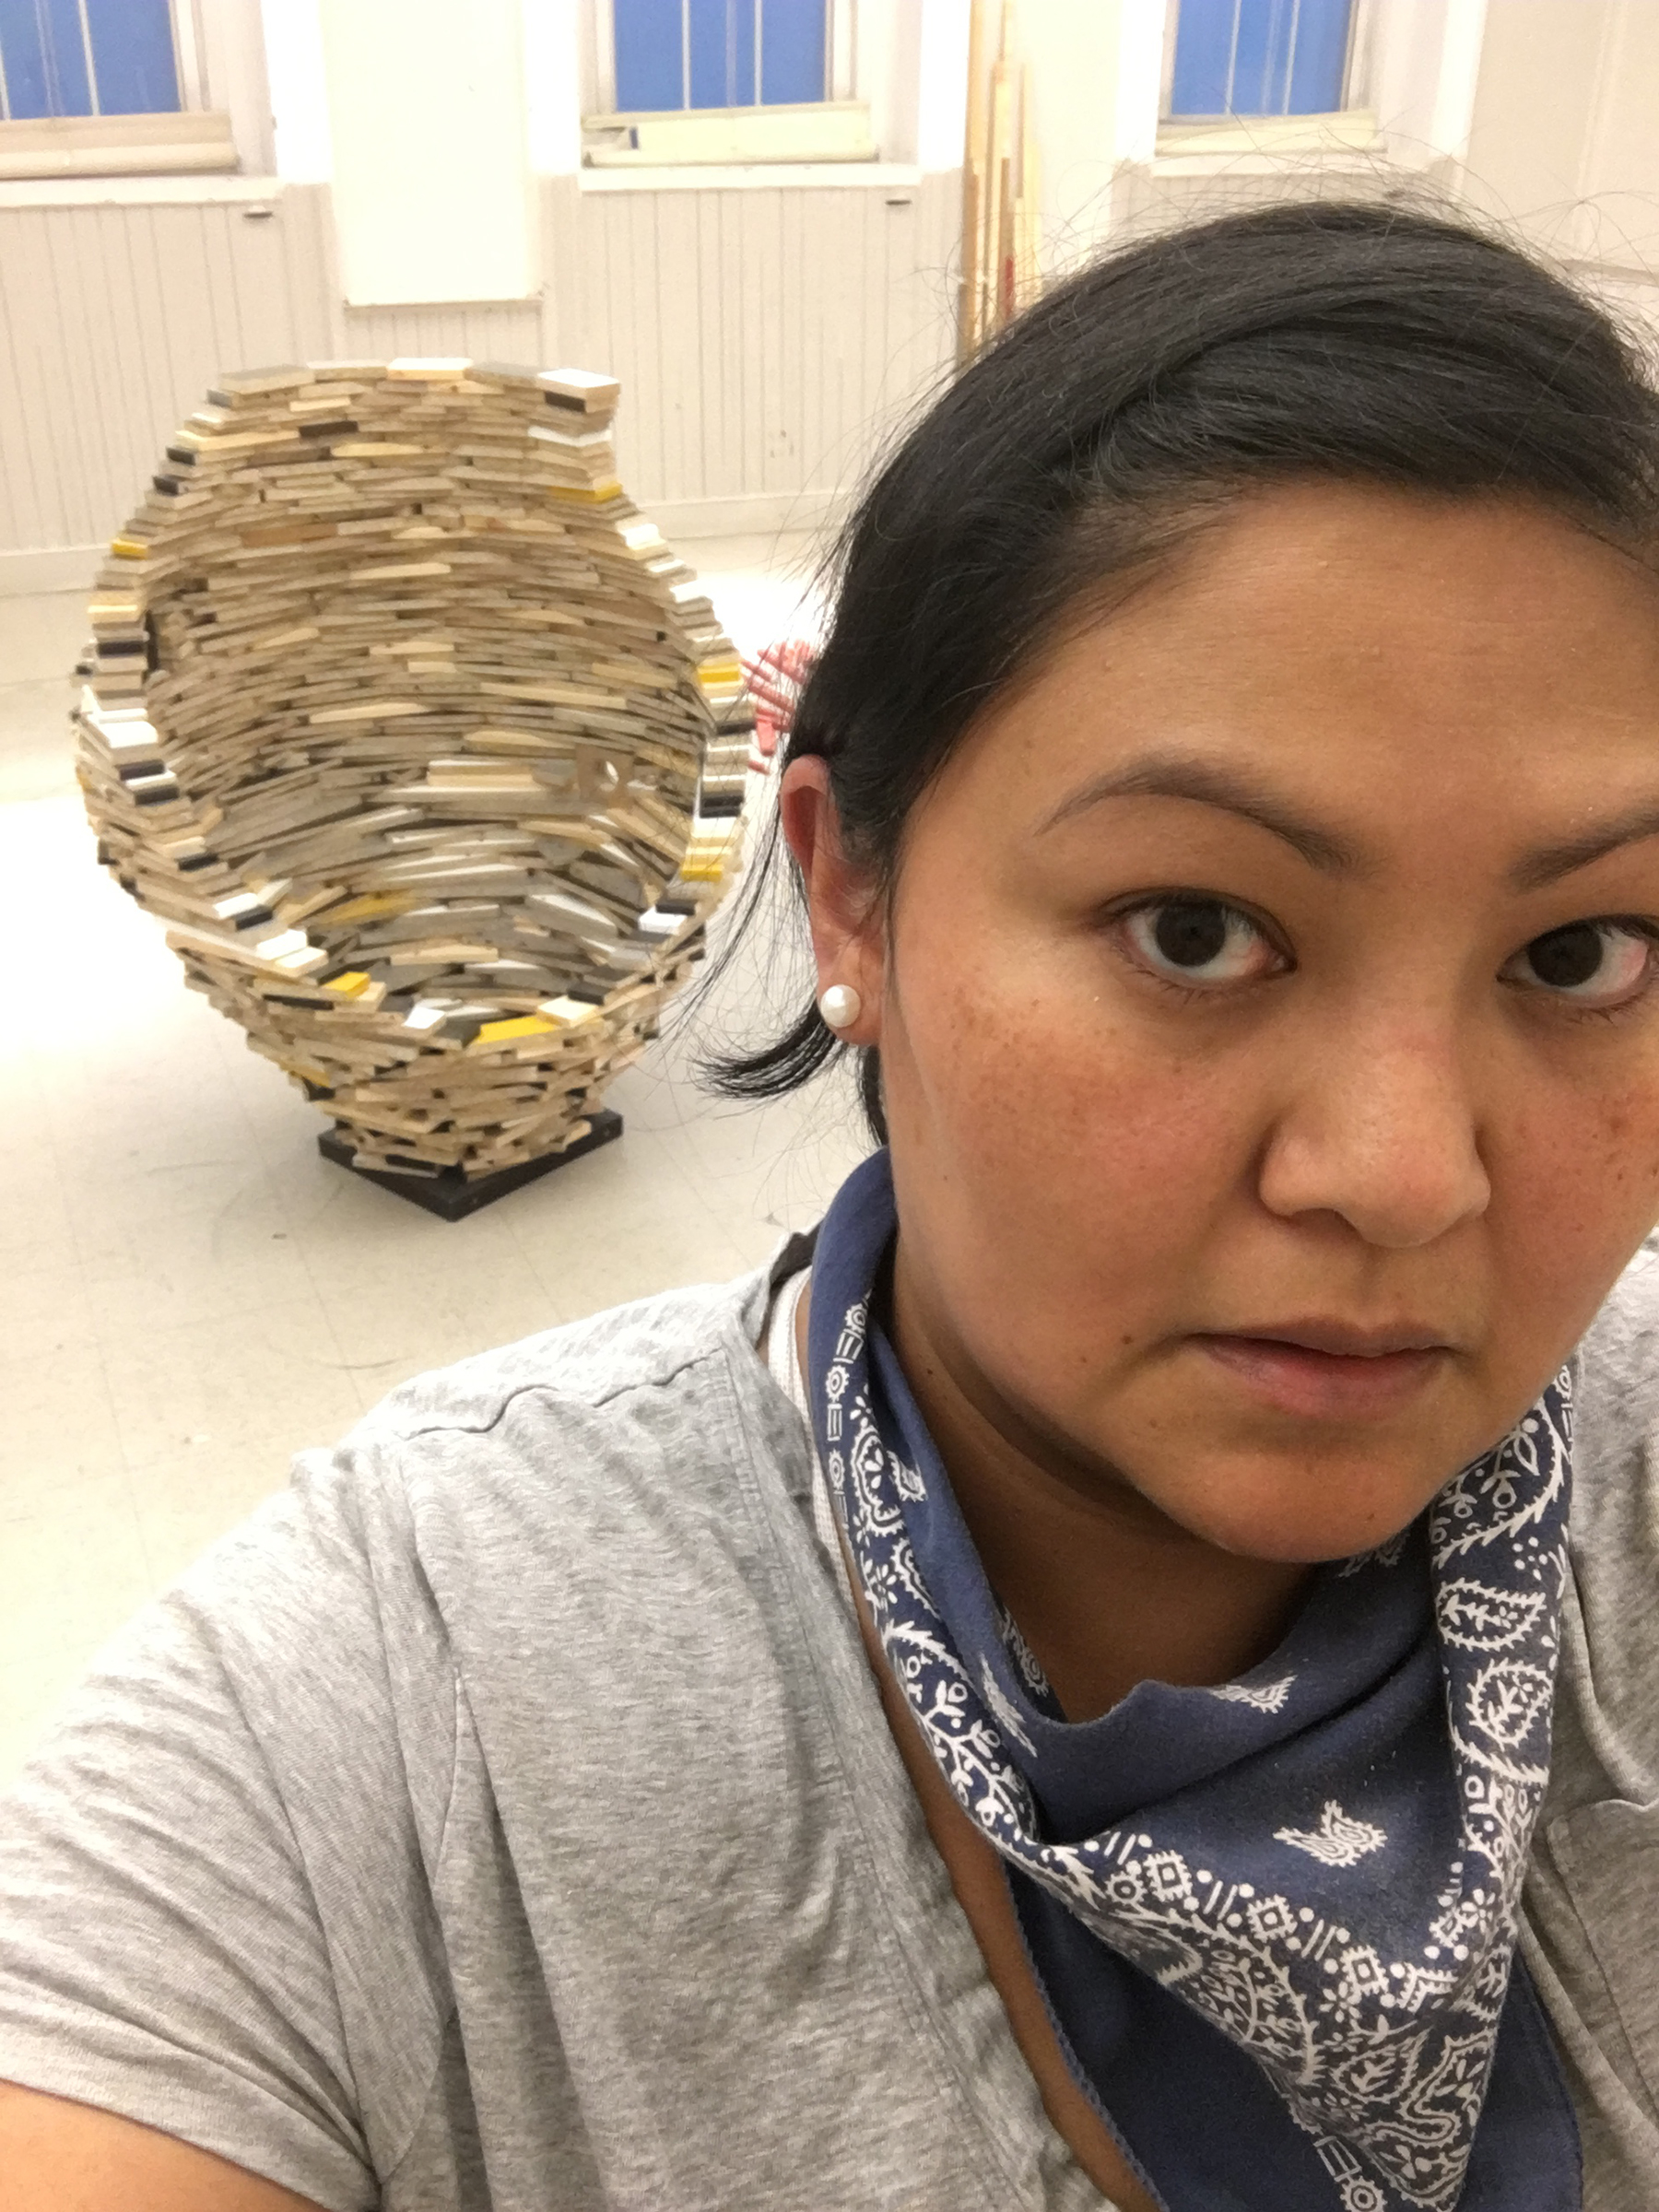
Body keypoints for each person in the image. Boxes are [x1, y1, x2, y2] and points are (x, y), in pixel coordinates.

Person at [5, 198, 1659, 2212]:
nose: (1404, 1177)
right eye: (1198, 928)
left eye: (1582, 958)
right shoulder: (399, 1695)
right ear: (851, 892)